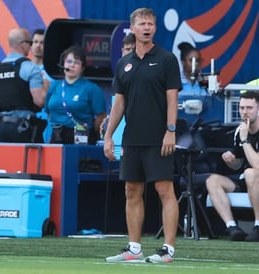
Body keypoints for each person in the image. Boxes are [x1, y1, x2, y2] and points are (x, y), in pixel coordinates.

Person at [103, 8, 181, 263]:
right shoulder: (123, 63)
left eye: (150, 24)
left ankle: (168, 250)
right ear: (133, 28)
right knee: (131, 190)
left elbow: (172, 99)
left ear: (155, 29)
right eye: (142, 24)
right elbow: (119, 104)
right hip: (131, 138)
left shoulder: (167, 59)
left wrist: (170, 131)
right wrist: (109, 135)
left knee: (164, 190)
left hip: (159, 138)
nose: (147, 27)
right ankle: (134, 248)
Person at [206, 91, 259, 242]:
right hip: (248, 179)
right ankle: (231, 226)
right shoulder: (240, 131)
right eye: (242, 108)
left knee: (251, 172)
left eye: (249, 108)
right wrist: (230, 160)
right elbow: (238, 165)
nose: (245, 112)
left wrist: (245, 141)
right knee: (212, 180)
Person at [0, 27, 47, 143]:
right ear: (23, 44)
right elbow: (39, 101)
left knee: (9, 160)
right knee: (30, 161)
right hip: (26, 127)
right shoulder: (30, 67)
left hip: (3, 127)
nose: (32, 46)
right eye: (30, 43)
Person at [45, 45, 106, 145]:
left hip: (81, 136)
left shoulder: (91, 88)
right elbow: (48, 110)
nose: (72, 65)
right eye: (69, 62)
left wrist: (90, 132)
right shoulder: (54, 86)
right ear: (63, 64)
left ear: (82, 67)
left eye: (76, 63)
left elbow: (101, 116)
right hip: (57, 136)